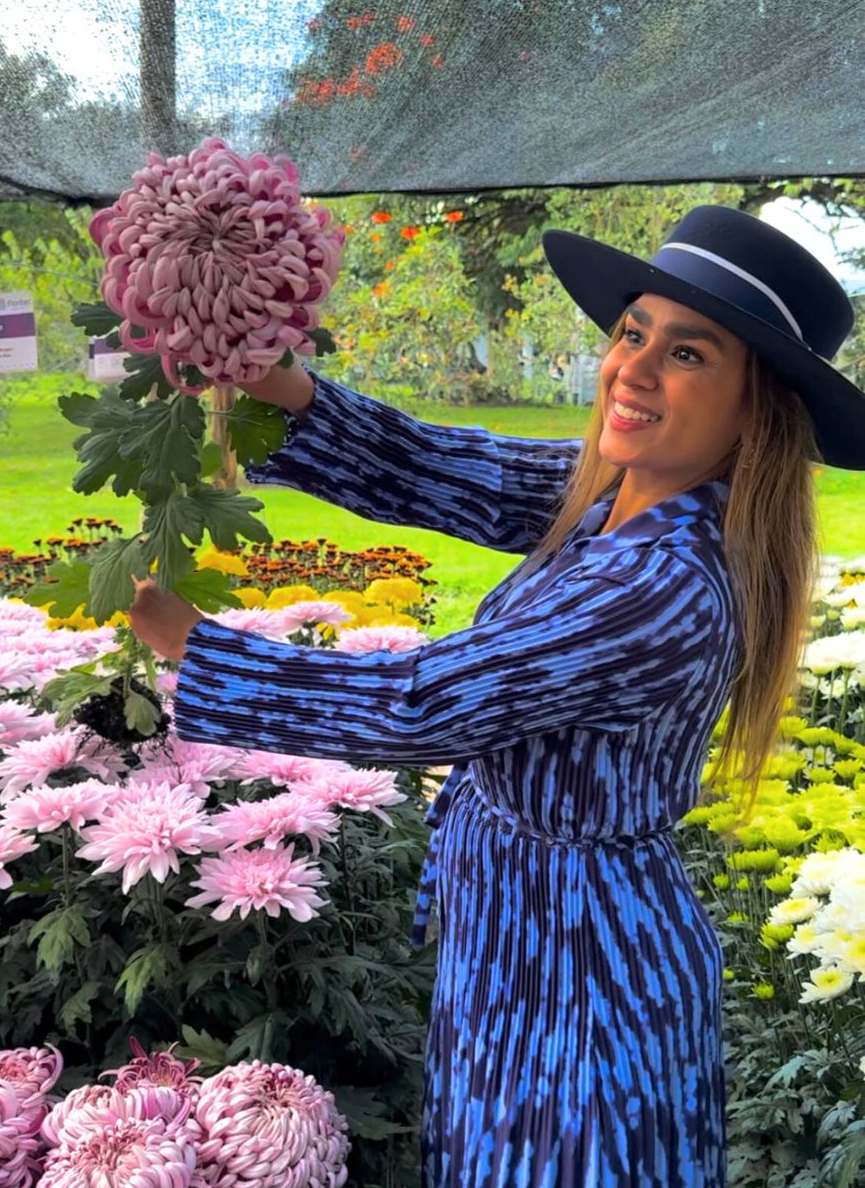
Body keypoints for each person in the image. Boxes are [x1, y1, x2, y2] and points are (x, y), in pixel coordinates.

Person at [130, 205, 865, 1187]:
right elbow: (434, 466)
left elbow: (425, 702)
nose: (633, 370)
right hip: (526, 920)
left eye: (686, 353)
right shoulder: (618, 491)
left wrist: (192, 646)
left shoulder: (669, 584)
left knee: (553, 1160)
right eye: (631, 332)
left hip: (582, 964)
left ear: (756, 405)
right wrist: (275, 382)